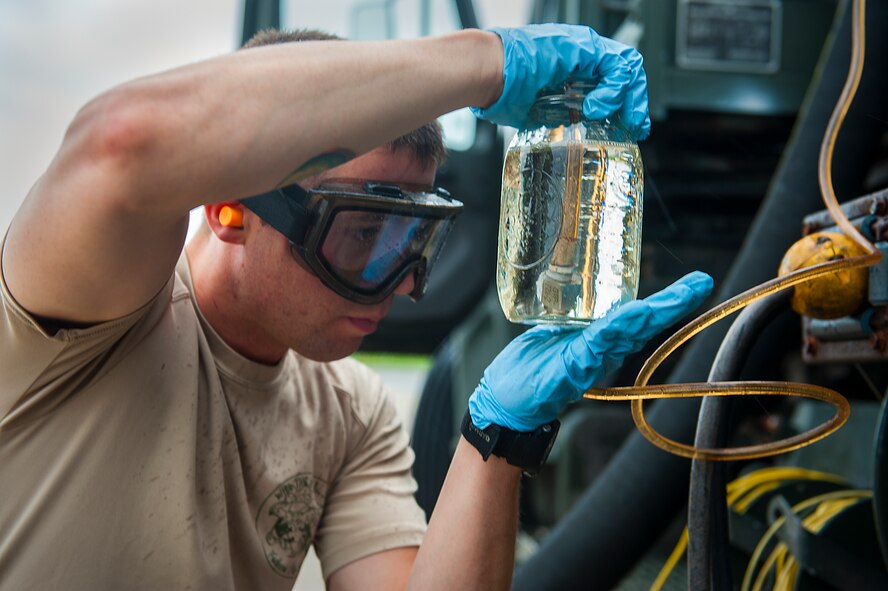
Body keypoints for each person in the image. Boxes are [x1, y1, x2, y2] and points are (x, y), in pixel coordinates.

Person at [0, 23, 712, 591]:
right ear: (227, 205)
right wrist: (485, 61)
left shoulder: (349, 412)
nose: (404, 282)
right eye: (365, 235)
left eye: (417, 241)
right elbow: (124, 141)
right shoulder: (91, 320)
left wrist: (499, 438)